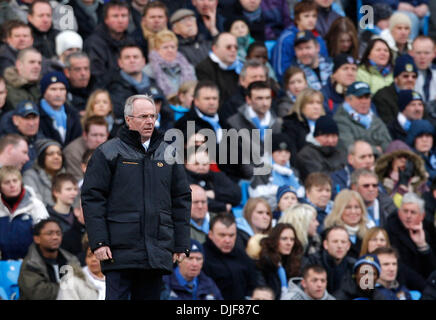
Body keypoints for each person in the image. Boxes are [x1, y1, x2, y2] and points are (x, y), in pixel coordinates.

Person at [81, 94, 191, 300]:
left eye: (152, 116)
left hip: (156, 251)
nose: (149, 121)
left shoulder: (169, 153)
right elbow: (92, 198)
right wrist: (99, 241)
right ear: (129, 119)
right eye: (143, 116)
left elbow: (181, 198)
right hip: (119, 250)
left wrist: (181, 242)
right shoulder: (107, 153)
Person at [17, 218, 81, 300]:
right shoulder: (31, 264)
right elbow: (39, 294)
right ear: (37, 239)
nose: (55, 237)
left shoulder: (71, 259)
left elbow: (81, 284)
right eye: (49, 234)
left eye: (58, 233)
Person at [202, 213, 258, 300]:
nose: (227, 240)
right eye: (222, 235)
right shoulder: (201, 256)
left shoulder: (242, 256)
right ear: (210, 235)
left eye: (231, 235)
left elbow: (253, 285)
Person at [272, 0, 328, 83]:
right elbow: (280, 71)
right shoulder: (287, 39)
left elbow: (326, 64)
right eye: (306, 16)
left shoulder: (319, 38)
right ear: (297, 19)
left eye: (314, 16)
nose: (311, 20)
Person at [0, 166, 48, 260]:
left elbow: (45, 235)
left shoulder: (35, 205)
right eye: (7, 182)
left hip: (31, 263)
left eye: (15, 181)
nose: (12, 185)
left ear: (21, 182)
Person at [334, 81, 392, 156]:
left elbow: (388, 145)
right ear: (348, 100)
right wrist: (376, 150)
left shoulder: (374, 119)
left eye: (367, 97)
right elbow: (350, 148)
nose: (364, 101)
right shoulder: (340, 120)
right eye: (360, 97)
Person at [386, 192, 436, 279]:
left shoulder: (429, 230)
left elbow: (432, 270)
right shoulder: (389, 229)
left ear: (422, 216)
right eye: (405, 211)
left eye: (413, 212)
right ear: (399, 212)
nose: (408, 216)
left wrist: (423, 246)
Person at [248, 133, 305, 210]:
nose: (283, 155)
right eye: (279, 152)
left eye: (287, 152)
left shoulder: (293, 172)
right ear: (271, 153)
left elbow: (301, 194)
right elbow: (258, 195)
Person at [84, 0, 133, 87]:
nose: (120, 20)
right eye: (115, 16)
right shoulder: (94, 43)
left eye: (124, 16)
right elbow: (96, 77)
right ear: (106, 19)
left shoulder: (131, 41)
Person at [255, 223, 304, 300]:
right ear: (274, 240)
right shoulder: (263, 264)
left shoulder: (292, 263)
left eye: (292, 239)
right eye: (284, 239)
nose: (289, 243)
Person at [184, 149, 241, 214]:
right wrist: (223, 206)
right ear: (186, 162)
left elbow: (236, 194)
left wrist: (214, 194)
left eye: (205, 164)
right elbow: (190, 200)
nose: (201, 167)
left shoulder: (216, 175)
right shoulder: (181, 179)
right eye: (196, 163)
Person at [144, 29, 197, 98]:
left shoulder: (189, 68)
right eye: (165, 47)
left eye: (173, 47)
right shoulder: (149, 71)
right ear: (157, 50)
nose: (170, 50)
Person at [303, 226, 355, 294]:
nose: (339, 246)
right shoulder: (311, 262)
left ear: (348, 245)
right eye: (335, 241)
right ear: (325, 244)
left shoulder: (353, 266)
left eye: (343, 242)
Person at [37, 71, 82, 147]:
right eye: (53, 89)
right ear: (44, 93)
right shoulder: (35, 114)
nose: (58, 94)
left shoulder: (73, 114)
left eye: (62, 89)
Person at [295, 115, 345, 182]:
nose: (330, 140)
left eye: (334, 136)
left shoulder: (339, 152)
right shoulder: (306, 155)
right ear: (316, 136)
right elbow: (320, 179)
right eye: (326, 136)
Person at [195, 32, 242, 104]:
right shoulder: (203, 68)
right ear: (215, 49)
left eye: (236, 47)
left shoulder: (241, 66)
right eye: (228, 47)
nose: (233, 50)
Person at [324, 189, 371, 259]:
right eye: (348, 207)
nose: (353, 211)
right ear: (339, 210)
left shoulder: (368, 234)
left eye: (357, 207)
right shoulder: (328, 234)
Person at [373, 54, 419, 126]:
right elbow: (388, 126)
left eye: (414, 76)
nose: (410, 79)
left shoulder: (416, 97)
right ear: (396, 79)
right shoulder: (382, 97)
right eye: (405, 76)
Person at [0, 100, 43, 171]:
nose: (31, 123)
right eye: (27, 118)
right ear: (15, 120)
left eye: (34, 118)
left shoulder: (42, 140)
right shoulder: (5, 140)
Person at [63, 116, 109, 181]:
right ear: (85, 135)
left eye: (102, 135)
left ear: (107, 135)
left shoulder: (112, 149)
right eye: (94, 135)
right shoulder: (72, 152)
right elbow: (77, 182)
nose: (98, 140)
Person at [282, 88, 325, 153]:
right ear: (301, 105)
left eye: (318, 103)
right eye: (311, 103)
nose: (316, 107)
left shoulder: (327, 123)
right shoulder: (291, 124)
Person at [23, 139, 64, 206]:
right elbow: (35, 203)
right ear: (42, 157)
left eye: (59, 154)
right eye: (51, 154)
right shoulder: (30, 176)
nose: (56, 157)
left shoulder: (65, 176)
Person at [410, 36, 436, 104]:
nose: (422, 57)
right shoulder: (405, 75)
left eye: (427, 53)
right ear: (411, 53)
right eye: (418, 53)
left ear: (434, 54)